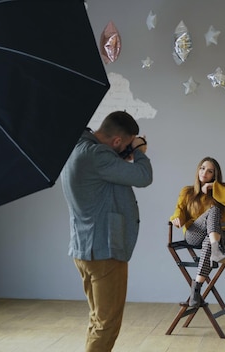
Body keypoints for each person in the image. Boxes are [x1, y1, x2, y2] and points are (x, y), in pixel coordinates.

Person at [61, 111, 153, 352]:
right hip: (104, 250)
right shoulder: (97, 155)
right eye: (126, 143)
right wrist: (140, 151)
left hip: (84, 247)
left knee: (98, 319)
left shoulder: (76, 145)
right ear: (116, 142)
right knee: (107, 324)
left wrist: (125, 152)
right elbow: (144, 176)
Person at [170, 157, 225, 307]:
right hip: (194, 233)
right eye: (202, 168)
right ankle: (216, 251)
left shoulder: (221, 189)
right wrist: (176, 218)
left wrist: (213, 187)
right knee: (213, 210)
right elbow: (180, 210)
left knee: (209, 240)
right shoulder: (187, 191)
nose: (205, 172)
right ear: (198, 170)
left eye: (210, 171)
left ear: (214, 175)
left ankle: (196, 290)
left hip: (219, 234)